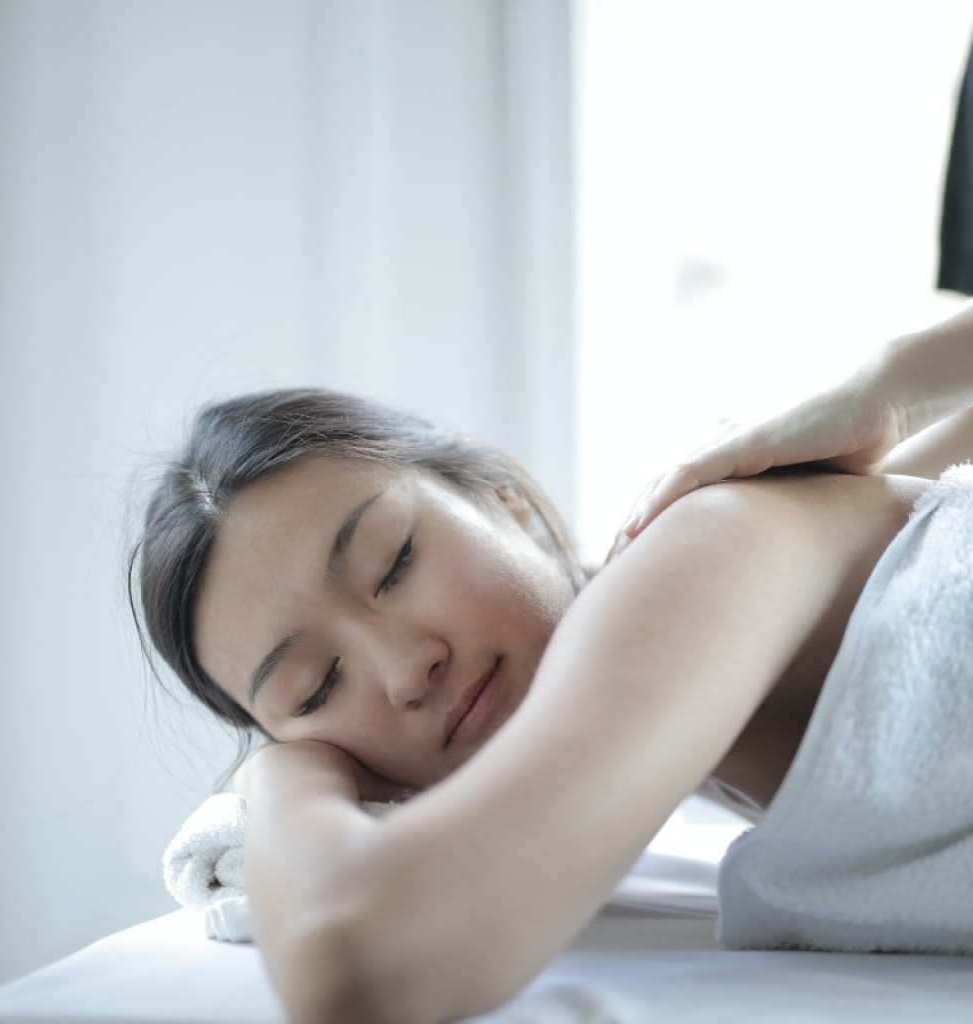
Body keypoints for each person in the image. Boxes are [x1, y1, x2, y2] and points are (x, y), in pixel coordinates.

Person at [130, 300, 972, 1024]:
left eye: (393, 564)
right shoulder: (780, 610)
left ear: (505, 501)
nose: (405, 668)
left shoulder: (704, 550)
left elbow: (360, 956)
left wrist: (279, 775)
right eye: (314, 687)